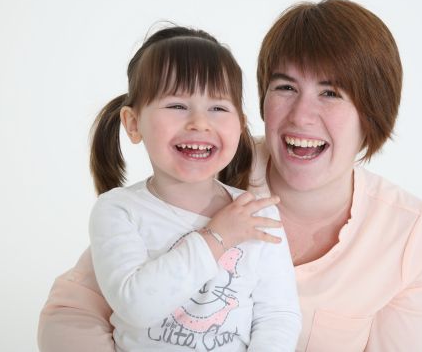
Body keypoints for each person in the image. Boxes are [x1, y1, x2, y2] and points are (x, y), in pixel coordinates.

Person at [39, 0, 422, 352]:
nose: (301, 116)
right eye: (285, 87)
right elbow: (71, 314)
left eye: (331, 93)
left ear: (373, 113)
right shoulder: (200, 170)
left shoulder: (409, 235)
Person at [83, 25, 301, 351]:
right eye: (177, 106)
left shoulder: (256, 213)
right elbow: (135, 305)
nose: (199, 123)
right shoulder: (118, 211)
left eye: (218, 108)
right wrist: (217, 237)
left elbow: (278, 315)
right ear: (133, 123)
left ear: (240, 125)